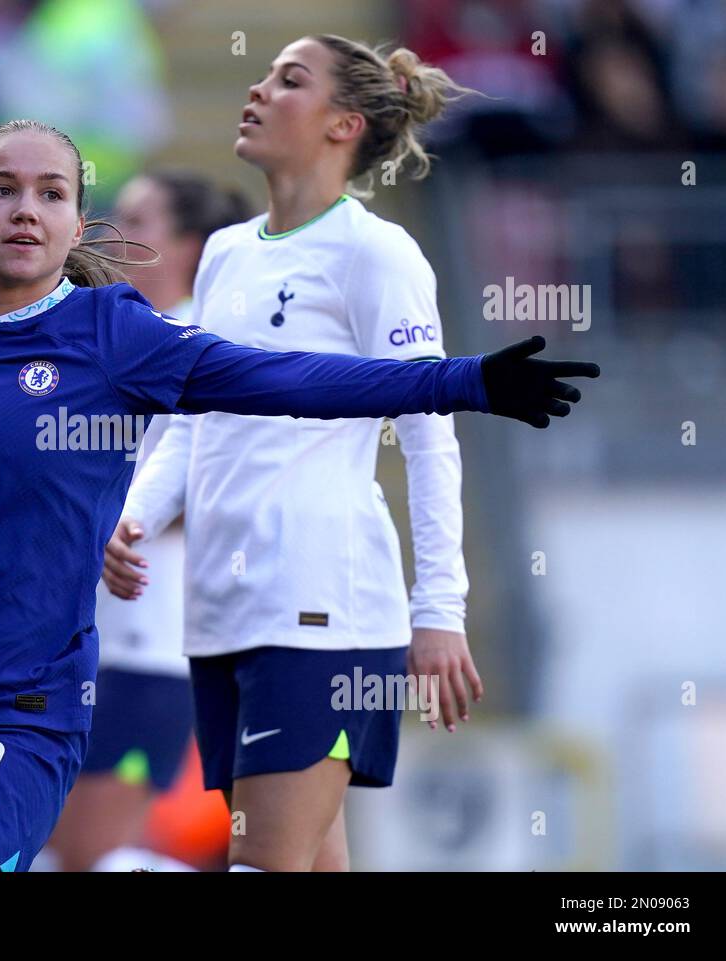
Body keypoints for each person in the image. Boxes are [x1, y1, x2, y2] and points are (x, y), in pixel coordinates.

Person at [0, 118, 598, 873]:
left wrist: (462, 380)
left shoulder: (113, 337)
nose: (26, 208)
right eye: (4, 189)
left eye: (52, 193)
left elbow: (285, 380)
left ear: (77, 226)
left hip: (19, 707)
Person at [102, 35, 511, 872]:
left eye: (290, 81)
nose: (258, 89)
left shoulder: (375, 252)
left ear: (343, 125)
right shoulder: (226, 253)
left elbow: (430, 431)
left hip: (321, 608)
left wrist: (440, 606)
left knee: (259, 863)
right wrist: (136, 515)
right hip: (220, 607)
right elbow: (190, 414)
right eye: (263, 75)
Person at [44, 170, 249, 872]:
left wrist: (99, 516)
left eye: (138, 219)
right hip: (74, 639)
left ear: (188, 244)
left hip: (149, 645)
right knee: (47, 847)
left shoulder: (208, 343)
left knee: (87, 854)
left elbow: (223, 486)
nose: (110, 232)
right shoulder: (104, 333)